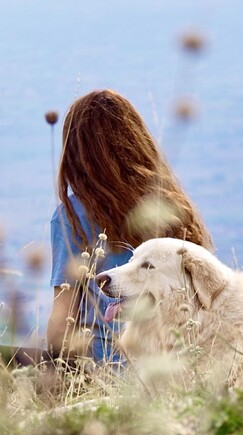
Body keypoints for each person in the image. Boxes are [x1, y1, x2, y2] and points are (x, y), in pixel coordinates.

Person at [47, 89, 213, 362]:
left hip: (101, 367)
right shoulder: (170, 206)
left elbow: (61, 322)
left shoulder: (73, 215)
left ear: (76, 153)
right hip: (172, 364)